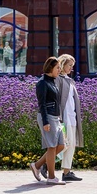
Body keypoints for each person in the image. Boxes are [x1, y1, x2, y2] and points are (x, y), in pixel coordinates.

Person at [46, 54, 83, 182]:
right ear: (62, 65)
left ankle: (66, 172)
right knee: (64, 144)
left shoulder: (69, 80)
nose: (71, 68)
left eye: (72, 66)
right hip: (64, 117)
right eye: (69, 65)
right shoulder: (59, 79)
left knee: (71, 144)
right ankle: (44, 164)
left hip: (72, 116)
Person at [29, 57, 67, 185]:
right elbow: (42, 104)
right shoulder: (42, 83)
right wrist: (45, 122)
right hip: (48, 117)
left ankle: (37, 165)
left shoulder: (53, 81)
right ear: (50, 68)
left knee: (61, 145)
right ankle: (51, 177)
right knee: (52, 147)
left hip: (55, 117)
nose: (59, 70)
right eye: (57, 68)